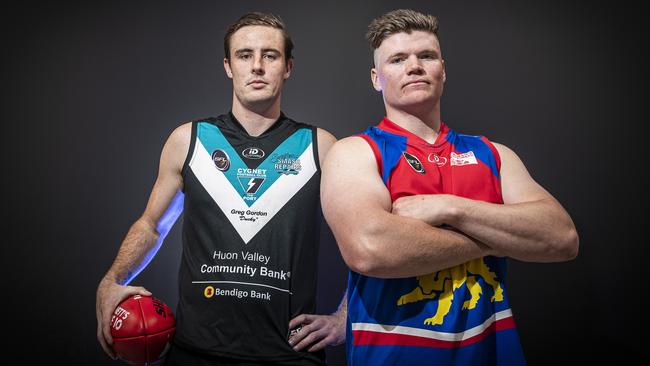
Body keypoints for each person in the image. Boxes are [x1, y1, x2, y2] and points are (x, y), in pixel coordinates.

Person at [321, 9, 579, 365]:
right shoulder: (356, 152)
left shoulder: (492, 154)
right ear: (376, 78)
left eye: (426, 56)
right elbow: (370, 249)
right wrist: (498, 240)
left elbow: (562, 238)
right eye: (398, 59)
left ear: (443, 69)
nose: (414, 66)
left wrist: (450, 208)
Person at [96, 12, 346, 366]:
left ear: (287, 67)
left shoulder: (321, 147)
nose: (257, 66)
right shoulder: (189, 140)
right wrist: (112, 280)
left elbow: (362, 241)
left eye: (270, 55)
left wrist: (345, 318)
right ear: (229, 66)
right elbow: (152, 226)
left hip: (289, 356)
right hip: (194, 352)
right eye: (245, 55)